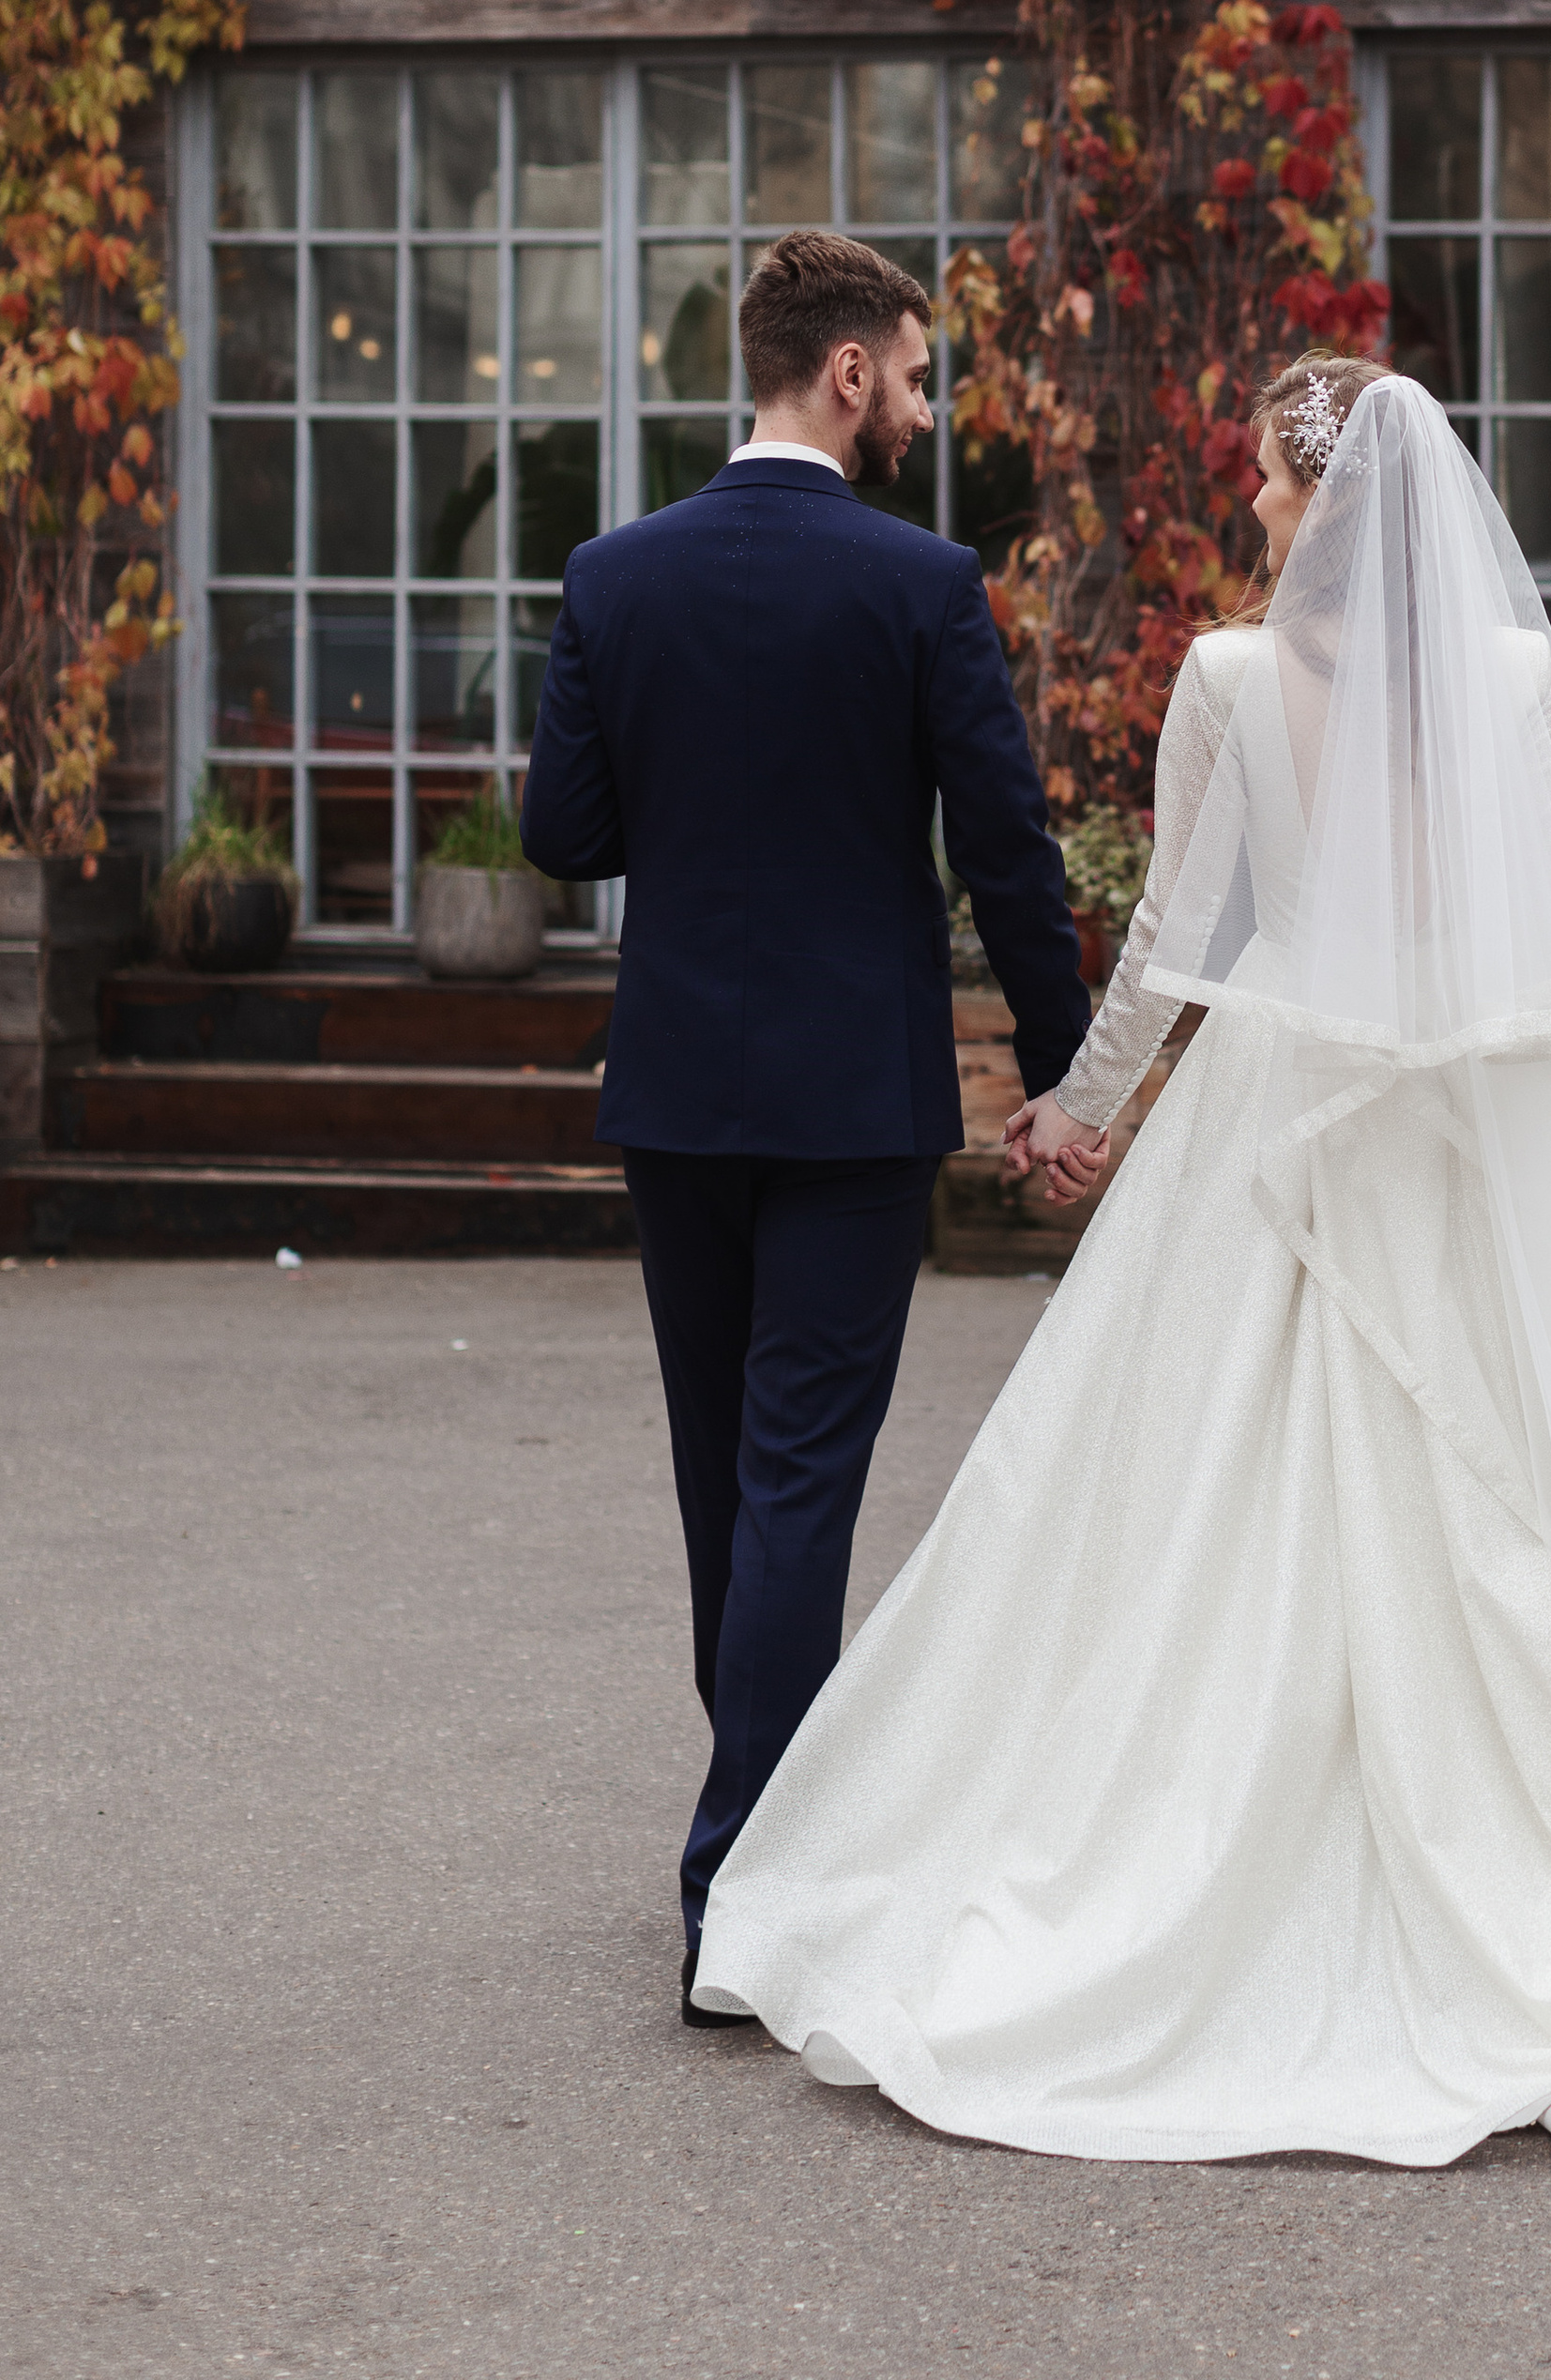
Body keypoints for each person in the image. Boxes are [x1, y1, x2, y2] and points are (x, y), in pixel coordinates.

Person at [692, 355, 1551, 2163]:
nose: (1258, 512)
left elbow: (1181, 944)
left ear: (1319, 492)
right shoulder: (1513, 672)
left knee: (1209, 1499)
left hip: (1290, 1109)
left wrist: (1084, 1109)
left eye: (1271, 487)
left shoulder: (1226, 676)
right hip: (1501, 1116)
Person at [519, 229, 1090, 2025]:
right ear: (845, 374)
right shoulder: (922, 588)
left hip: (681, 1091)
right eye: (914, 376)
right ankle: (744, 1891)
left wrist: (703, 811)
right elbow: (1002, 851)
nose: (921, 407)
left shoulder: (616, 577)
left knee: (724, 1482)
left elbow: (564, 832)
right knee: (796, 1490)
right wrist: (1068, 1075)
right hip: (851, 1103)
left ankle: (748, 1848)